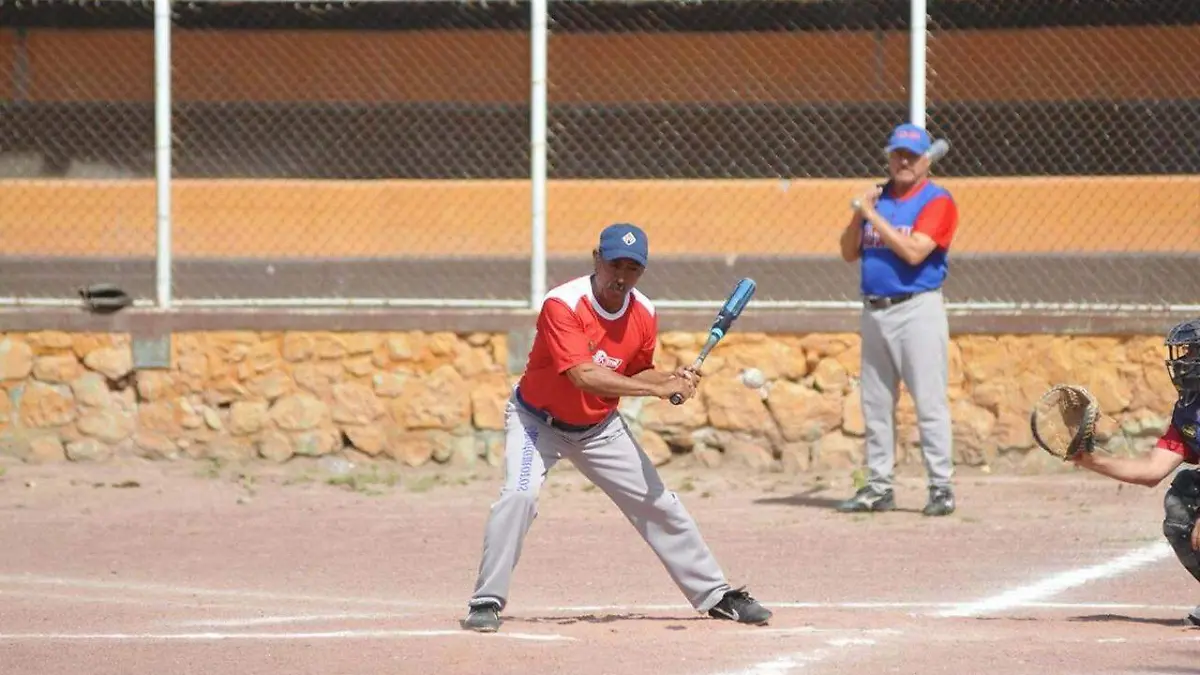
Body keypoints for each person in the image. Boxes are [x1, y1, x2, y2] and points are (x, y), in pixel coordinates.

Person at [462, 223, 772, 633]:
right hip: (537, 421)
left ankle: (715, 595)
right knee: (519, 496)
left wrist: (671, 381)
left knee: (659, 503)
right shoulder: (563, 304)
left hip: (597, 427)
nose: (621, 277)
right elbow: (583, 376)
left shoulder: (644, 312)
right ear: (597, 260)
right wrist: (656, 389)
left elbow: (638, 370)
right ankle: (487, 599)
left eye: (632, 268)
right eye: (614, 265)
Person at [836, 122, 960, 517]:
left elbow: (912, 252)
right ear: (888, 157)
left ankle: (941, 487)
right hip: (874, 310)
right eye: (897, 155)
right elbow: (848, 252)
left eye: (911, 156)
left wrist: (871, 213)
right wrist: (860, 216)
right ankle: (878, 486)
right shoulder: (880, 197)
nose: (903, 162)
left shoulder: (937, 201)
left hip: (917, 309)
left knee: (929, 403)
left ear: (926, 161)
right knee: (875, 404)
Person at [1068, 317, 1200, 627]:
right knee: (1180, 506)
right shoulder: (1189, 407)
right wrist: (1090, 460)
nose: (1183, 362)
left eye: (1193, 353)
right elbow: (1153, 470)